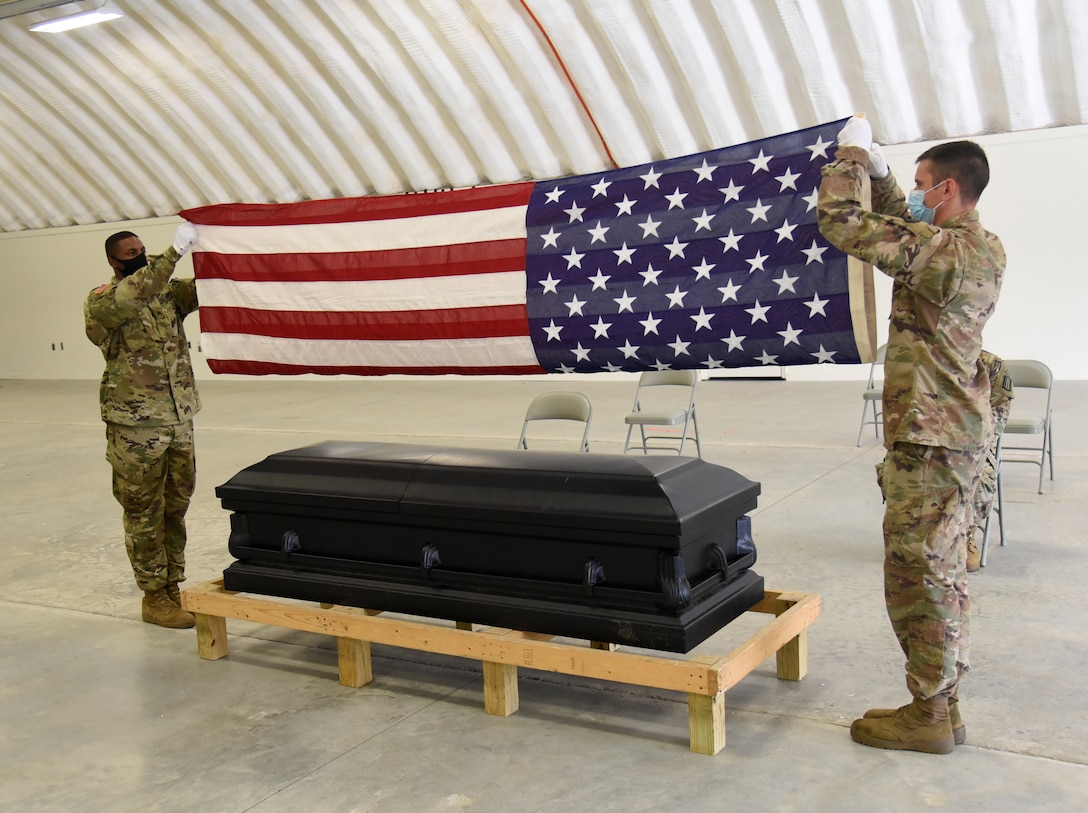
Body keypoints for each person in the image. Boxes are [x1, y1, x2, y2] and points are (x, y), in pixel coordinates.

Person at [817, 116, 1005, 754]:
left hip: (931, 438)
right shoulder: (977, 244)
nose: (917, 195)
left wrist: (848, 159)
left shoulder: (944, 253)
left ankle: (928, 712)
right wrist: (886, 174)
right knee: (942, 571)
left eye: (925, 185)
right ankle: (942, 704)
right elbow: (907, 222)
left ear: (948, 189)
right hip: (952, 433)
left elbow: (843, 221)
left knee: (917, 576)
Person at [84, 223, 201, 629]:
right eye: (130, 252)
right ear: (114, 261)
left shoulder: (166, 292)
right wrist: (173, 253)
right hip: (135, 429)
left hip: (178, 418)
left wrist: (220, 248)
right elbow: (135, 292)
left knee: (176, 507)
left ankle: (173, 586)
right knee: (143, 512)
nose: (139, 254)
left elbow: (209, 288)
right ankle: (153, 597)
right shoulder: (102, 301)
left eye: (142, 248)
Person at [965, 351, 1015, 572]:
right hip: (931, 441)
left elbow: (997, 418)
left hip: (973, 443)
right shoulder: (924, 360)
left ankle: (965, 536)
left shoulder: (990, 365)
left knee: (978, 473)